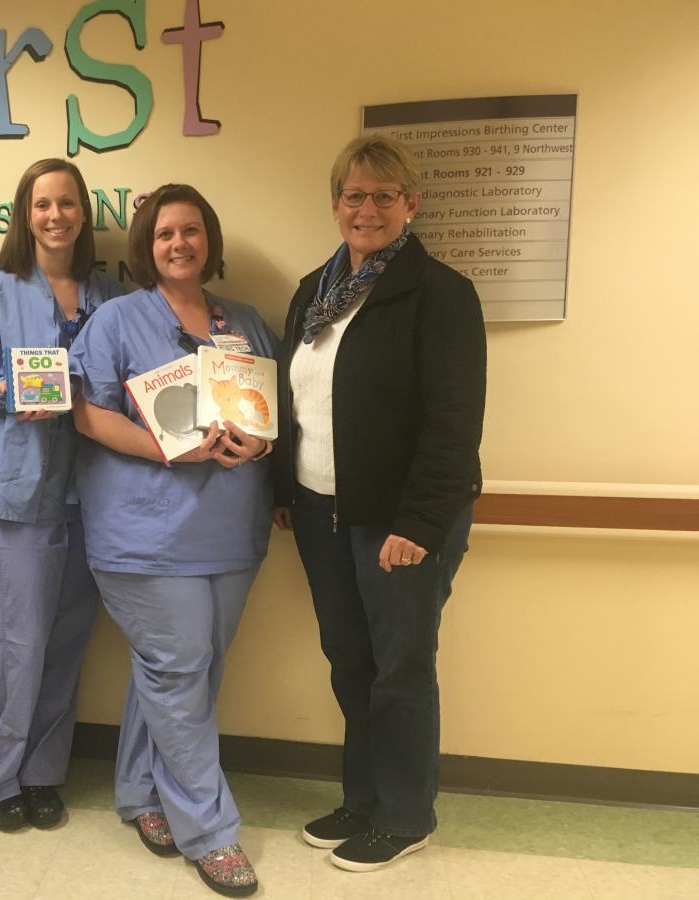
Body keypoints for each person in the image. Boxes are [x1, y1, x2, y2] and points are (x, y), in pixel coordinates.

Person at [272, 135, 486, 872]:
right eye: (354, 195)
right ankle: (362, 799)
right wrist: (281, 492)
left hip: (400, 524)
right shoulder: (314, 291)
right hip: (320, 513)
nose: (367, 209)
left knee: (399, 666)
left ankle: (404, 814)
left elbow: (453, 424)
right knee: (350, 663)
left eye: (384, 196)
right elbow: (293, 404)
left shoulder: (442, 294)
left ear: (411, 205)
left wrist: (419, 523)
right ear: (336, 204)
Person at [71, 184, 276, 897]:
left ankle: (140, 791)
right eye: (164, 234)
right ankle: (210, 832)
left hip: (230, 531)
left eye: (191, 231)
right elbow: (89, 417)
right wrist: (171, 453)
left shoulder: (244, 321)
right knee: (178, 665)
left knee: (184, 674)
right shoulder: (118, 320)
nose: (179, 244)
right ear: (145, 248)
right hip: (145, 534)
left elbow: (266, 414)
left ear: (208, 240)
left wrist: (256, 447)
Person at [0, 158, 123, 831]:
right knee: (12, 641)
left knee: (64, 639)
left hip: (92, 494)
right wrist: (9, 394)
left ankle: (44, 772)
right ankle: (0, 779)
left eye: (68, 203)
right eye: (42, 204)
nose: (55, 215)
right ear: (25, 216)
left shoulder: (108, 297)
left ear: (84, 213)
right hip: (17, 491)